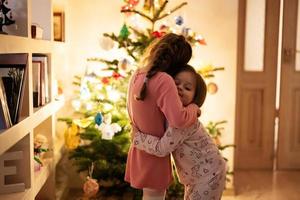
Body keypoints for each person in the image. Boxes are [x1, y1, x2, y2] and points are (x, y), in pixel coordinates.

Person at [132, 65, 227, 200]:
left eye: (187, 88)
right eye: (176, 83)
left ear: (195, 97)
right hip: (196, 176)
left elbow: (162, 148)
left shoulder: (183, 121)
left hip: (210, 175)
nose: (180, 88)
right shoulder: (174, 112)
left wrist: (138, 138)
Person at [125, 33, 200, 200]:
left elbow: (129, 110)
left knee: (149, 196)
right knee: (155, 197)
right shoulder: (164, 80)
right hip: (154, 153)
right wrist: (194, 108)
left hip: (139, 149)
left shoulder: (136, 74)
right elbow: (179, 119)